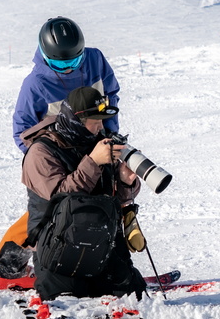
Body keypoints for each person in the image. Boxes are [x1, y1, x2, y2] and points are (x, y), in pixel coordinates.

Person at [18, 86, 146, 301]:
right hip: (57, 244)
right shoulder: (41, 151)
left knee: (133, 293)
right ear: (76, 120)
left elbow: (118, 199)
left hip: (102, 241)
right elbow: (61, 199)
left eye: (102, 121)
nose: (99, 128)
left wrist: (125, 181)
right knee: (63, 299)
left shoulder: (99, 142)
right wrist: (94, 162)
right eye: (93, 122)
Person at [12, 16, 121, 153]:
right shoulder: (36, 83)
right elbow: (22, 131)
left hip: (99, 141)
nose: (68, 68)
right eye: (59, 64)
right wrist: (45, 158)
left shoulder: (95, 59)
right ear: (45, 55)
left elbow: (111, 94)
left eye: (74, 62)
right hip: (64, 152)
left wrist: (110, 131)